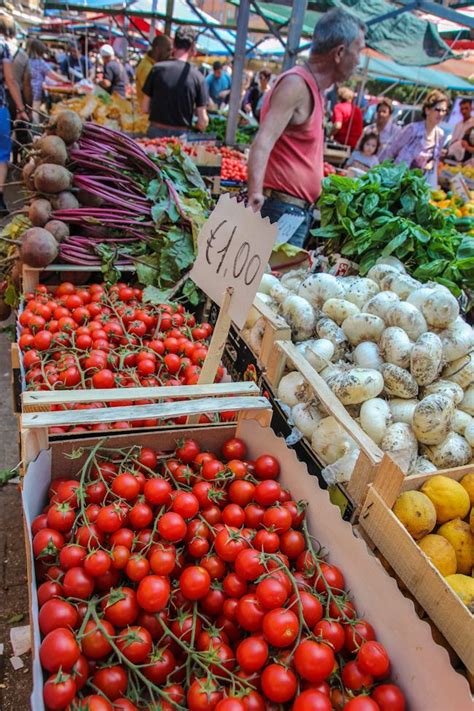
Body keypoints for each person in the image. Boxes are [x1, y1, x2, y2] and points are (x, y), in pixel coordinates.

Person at [247, 8, 365, 247]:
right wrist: (255, 194)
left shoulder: (313, 88)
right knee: (268, 282)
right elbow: (263, 141)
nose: (359, 61)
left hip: (293, 211)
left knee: (276, 283)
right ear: (340, 52)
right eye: (359, 51)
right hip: (281, 209)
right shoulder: (296, 85)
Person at [142, 27, 208, 138]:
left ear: (174, 45)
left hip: (155, 134)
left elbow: (144, 108)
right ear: (193, 48)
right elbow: (203, 122)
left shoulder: (157, 69)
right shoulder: (198, 77)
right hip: (180, 138)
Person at [380, 90, 448, 187]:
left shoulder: (440, 136)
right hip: (397, 181)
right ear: (427, 110)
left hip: (417, 186)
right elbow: (392, 152)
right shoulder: (412, 129)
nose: (441, 114)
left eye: (444, 111)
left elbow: (435, 160)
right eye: (438, 109)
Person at [0, 14, 28, 214]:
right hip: (0, 105)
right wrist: (21, 108)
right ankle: (0, 198)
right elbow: (10, 79)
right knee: (2, 154)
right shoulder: (3, 47)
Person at [27, 39, 67, 123]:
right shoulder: (39, 62)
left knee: (28, 113)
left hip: (25, 92)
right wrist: (65, 80)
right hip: (35, 93)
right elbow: (52, 75)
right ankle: (34, 132)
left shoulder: (26, 60)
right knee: (35, 113)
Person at [135, 34, 172, 109]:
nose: (170, 54)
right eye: (168, 50)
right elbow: (155, 95)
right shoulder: (146, 68)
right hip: (145, 117)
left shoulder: (155, 66)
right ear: (158, 49)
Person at [446, 98, 474, 162]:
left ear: (471, 108)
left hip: (468, 161)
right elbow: (452, 142)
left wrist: (467, 147)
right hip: (453, 158)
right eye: (462, 109)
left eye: (466, 108)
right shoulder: (458, 125)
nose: (464, 111)